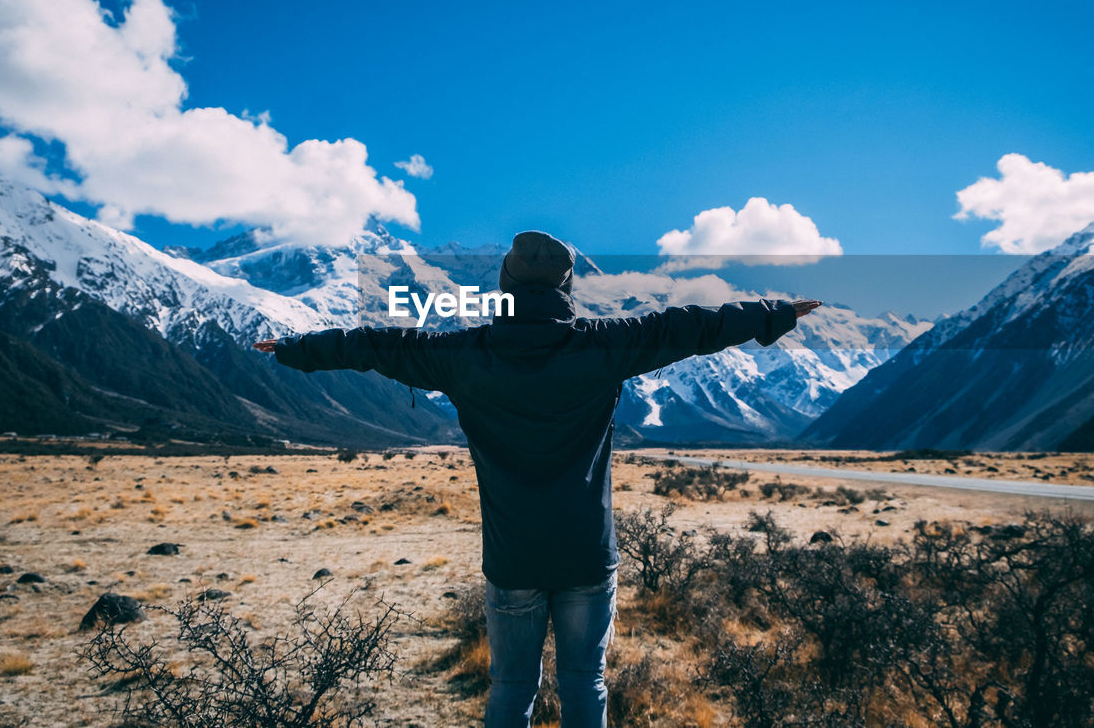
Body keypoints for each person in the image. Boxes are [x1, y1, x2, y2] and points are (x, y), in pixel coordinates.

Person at [254, 230, 821, 728]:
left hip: (513, 558)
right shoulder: (604, 345)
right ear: (567, 287)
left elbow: (373, 345)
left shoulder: (460, 353)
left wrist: (298, 349)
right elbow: (691, 327)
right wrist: (774, 313)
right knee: (584, 684)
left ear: (504, 285)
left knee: (510, 689)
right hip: (586, 555)